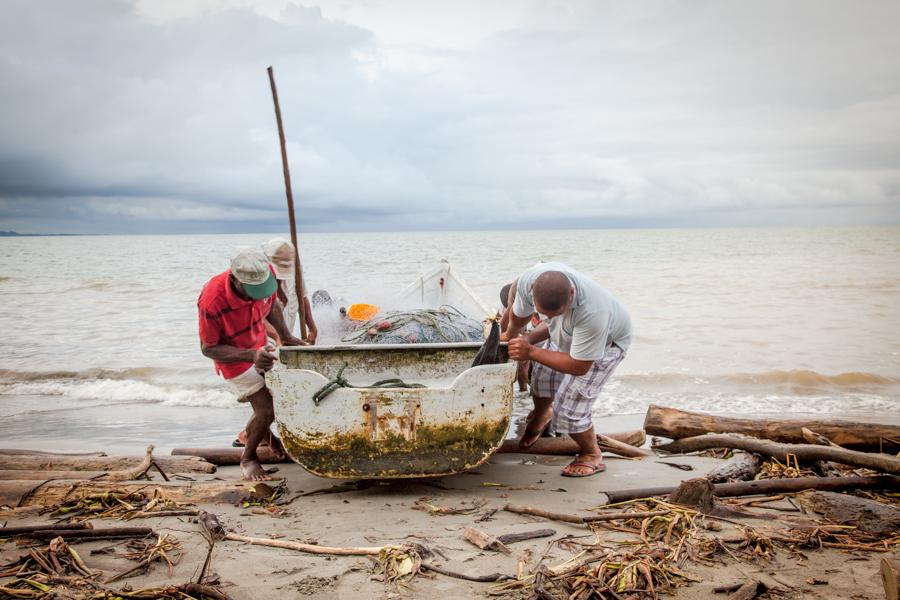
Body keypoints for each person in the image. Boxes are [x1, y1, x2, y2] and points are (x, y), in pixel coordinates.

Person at [501, 263, 632, 477]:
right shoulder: (528, 281)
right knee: (542, 380)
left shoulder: (593, 312)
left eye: (557, 312)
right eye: (544, 313)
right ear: (532, 291)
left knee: (569, 410)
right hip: (570, 332)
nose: (549, 317)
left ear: (571, 293)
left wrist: (531, 352)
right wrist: (516, 337)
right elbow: (519, 318)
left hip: (605, 345)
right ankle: (542, 414)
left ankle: (591, 454)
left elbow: (579, 366)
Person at [198, 247, 305, 481]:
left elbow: (272, 304)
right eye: (252, 291)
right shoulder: (212, 300)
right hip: (233, 357)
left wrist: (285, 336)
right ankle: (248, 458)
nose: (258, 294)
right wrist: (250, 355)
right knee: (267, 408)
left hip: (258, 343)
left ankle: (270, 438)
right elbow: (208, 348)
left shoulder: (263, 273)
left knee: (285, 392)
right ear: (236, 280)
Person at [262, 238, 317, 345]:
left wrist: (312, 328)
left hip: (286, 338)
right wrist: (277, 337)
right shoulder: (259, 280)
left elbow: (303, 297)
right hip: (267, 342)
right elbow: (257, 317)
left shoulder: (295, 270)